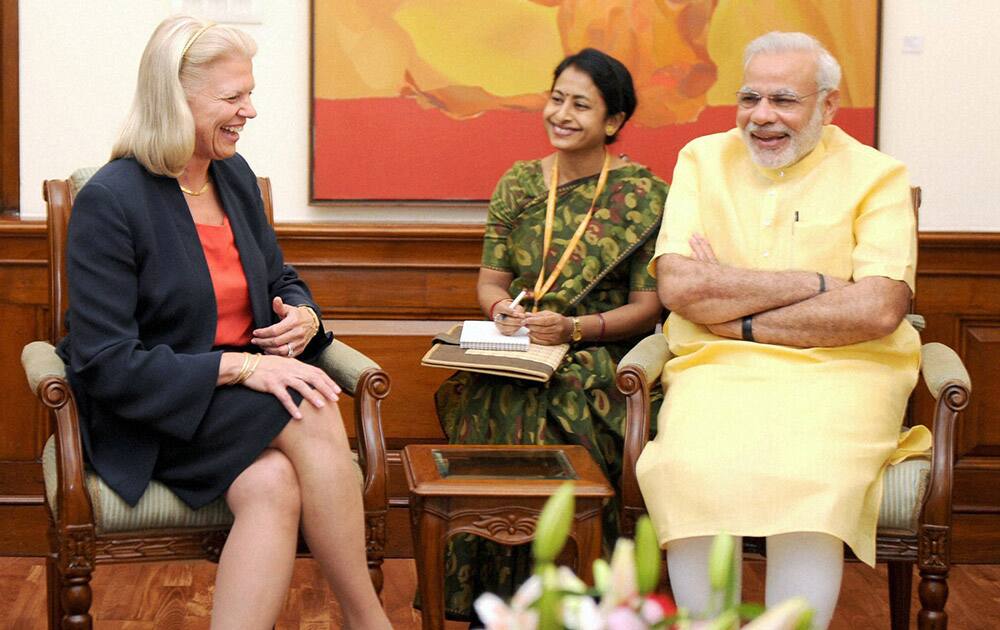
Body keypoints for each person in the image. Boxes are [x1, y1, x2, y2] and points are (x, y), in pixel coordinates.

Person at [56, 16, 390, 630]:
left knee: (271, 484)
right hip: (152, 411)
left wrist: (303, 317)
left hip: (236, 402)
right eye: (233, 97)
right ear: (173, 99)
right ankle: (369, 620)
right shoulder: (111, 200)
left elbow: (277, 279)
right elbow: (105, 362)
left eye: (250, 93)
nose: (250, 111)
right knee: (310, 404)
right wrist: (243, 366)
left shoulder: (231, 175)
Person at [635, 32, 931, 629]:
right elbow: (681, 290)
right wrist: (822, 284)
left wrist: (734, 305)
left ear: (827, 106)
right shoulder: (701, 158)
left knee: (811, 471)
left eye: (784, 100)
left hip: (848, 369)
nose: (762, 116)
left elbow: (877, 310)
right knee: (687, 465)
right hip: (717, 366)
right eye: (750, 98)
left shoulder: (878, 175)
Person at [434, 48, 668, 621]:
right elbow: (490, 283)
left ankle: (583, 599)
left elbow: (649, 307)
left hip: (597, 352)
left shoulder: (643, 196)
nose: (561, 113)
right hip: (517, 346)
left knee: (565, 403)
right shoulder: (518, 184)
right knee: (489, 393)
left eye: (580, 105)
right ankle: (495, 598)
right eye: (556, 98)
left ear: (612, 122)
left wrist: (574, 328)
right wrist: (501, 314)